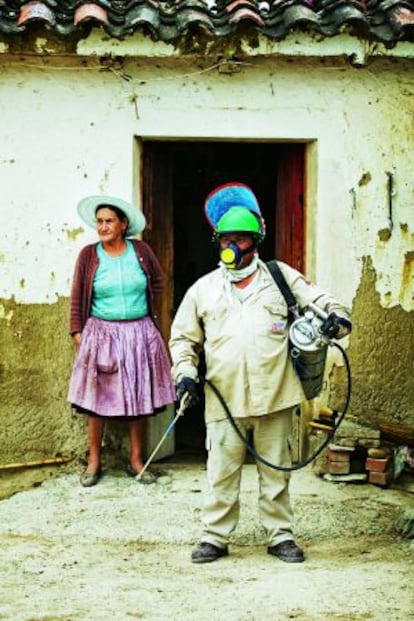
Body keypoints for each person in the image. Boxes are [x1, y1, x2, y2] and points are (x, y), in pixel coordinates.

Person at [169, 182, 351, 564]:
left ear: (257, 240)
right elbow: (183, 339)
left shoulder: (280, 277)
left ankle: (280, 536)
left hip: (275, 394)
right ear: (217, 240)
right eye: (227, 238)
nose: (233, 245)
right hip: (225, 397)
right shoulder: (203, 289)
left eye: (242, 238)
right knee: (221, 472)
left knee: (276, 473)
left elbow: (323, 302)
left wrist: (336, 318)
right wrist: (185, 373)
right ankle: (214, 537)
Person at [68, 195, 175, 487]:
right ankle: (94, 461)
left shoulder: (140, 250)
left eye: (109, 221)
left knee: (138, 397)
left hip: (138, 333)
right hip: (100, 333)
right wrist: (78, 332)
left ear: (123, 224)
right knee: (95, 400)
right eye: (99, 222)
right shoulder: (89, 256)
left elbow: (158, 280)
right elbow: (78, 295)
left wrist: (147, 312)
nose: (102, 227)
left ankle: (136, 460)